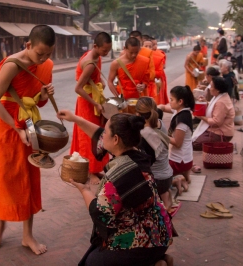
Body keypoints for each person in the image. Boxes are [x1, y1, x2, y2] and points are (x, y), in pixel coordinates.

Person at [56, 110, 174, 266]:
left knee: (91, 262)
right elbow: (98, 134)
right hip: (162, 232)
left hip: (145, 242)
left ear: (116, 139)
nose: (102, 135)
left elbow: (101, 213)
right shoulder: (139, 151)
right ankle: (157, 261)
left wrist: (84, 189)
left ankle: (153, 262)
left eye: (106, 131)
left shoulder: (118, 176)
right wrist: (76, 118)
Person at [0, 25, 56, 255]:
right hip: (7, 128)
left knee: (29, 177)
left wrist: (44, 96)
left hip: (29, 127)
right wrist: (16, 129)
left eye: (48, 54)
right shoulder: (12, 65)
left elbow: (37, 102)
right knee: (5, 177)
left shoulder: (46, 65)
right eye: (39, 54)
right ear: (28, 45)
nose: (44, 58)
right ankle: (0, 225)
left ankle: (28, 235)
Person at [70, 32, 112, 185]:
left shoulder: (96, 57)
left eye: (108, 50)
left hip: (94, 98)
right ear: (95, 46)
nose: (106, 53)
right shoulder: (89, 63)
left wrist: (100, 80)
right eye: (104, 50)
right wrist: (95, 104)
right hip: (87, 103)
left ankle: (96, 168)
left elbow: (93, 77)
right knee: (89, 135)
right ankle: (89, 171)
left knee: (98, 134)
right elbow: (78, 88)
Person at [136, 97, 174, 212]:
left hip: (157, 180)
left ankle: (163, 208)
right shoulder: (160, 123)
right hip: (168, 175)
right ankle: (167, 199)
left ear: (138, 114)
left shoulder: (143, 133)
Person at [158, 85, 195, 185]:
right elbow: (164, 107)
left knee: (157, 174)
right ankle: (185, 176)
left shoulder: (181, 122)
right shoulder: (183, 110)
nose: (169, 101)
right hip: (186, 159)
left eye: (171, 99)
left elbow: (177, 143)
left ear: (180, 102)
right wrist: (158, 108)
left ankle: (176, 181)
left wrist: (161, 135)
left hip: (180, 161)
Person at [192, 76, 235, 151]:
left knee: (194, 144)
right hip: (215, 130)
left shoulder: (221, 102)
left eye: (211, 86)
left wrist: (201, 117)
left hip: (221, 133)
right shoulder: (220, 96)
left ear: (218, 90)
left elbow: (216, 122)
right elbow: (215, 107)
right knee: (191, 139)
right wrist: (206, 102)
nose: (209, 88)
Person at [130, 31, 156, 98]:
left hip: (142, 87)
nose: (134, 43)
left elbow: (151, 73)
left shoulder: (147, 52)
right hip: (128, 88)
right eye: (132, 41)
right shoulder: (124, 53)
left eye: (137, 40)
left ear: (141, 40)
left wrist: (143, 83)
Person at [151, 37, 169, 104]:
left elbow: (163, 66)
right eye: (153, 45)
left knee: (159, 95)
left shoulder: (161, 53)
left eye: (156, 44)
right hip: (150, 78)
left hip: (159, 77)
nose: (155, 46)